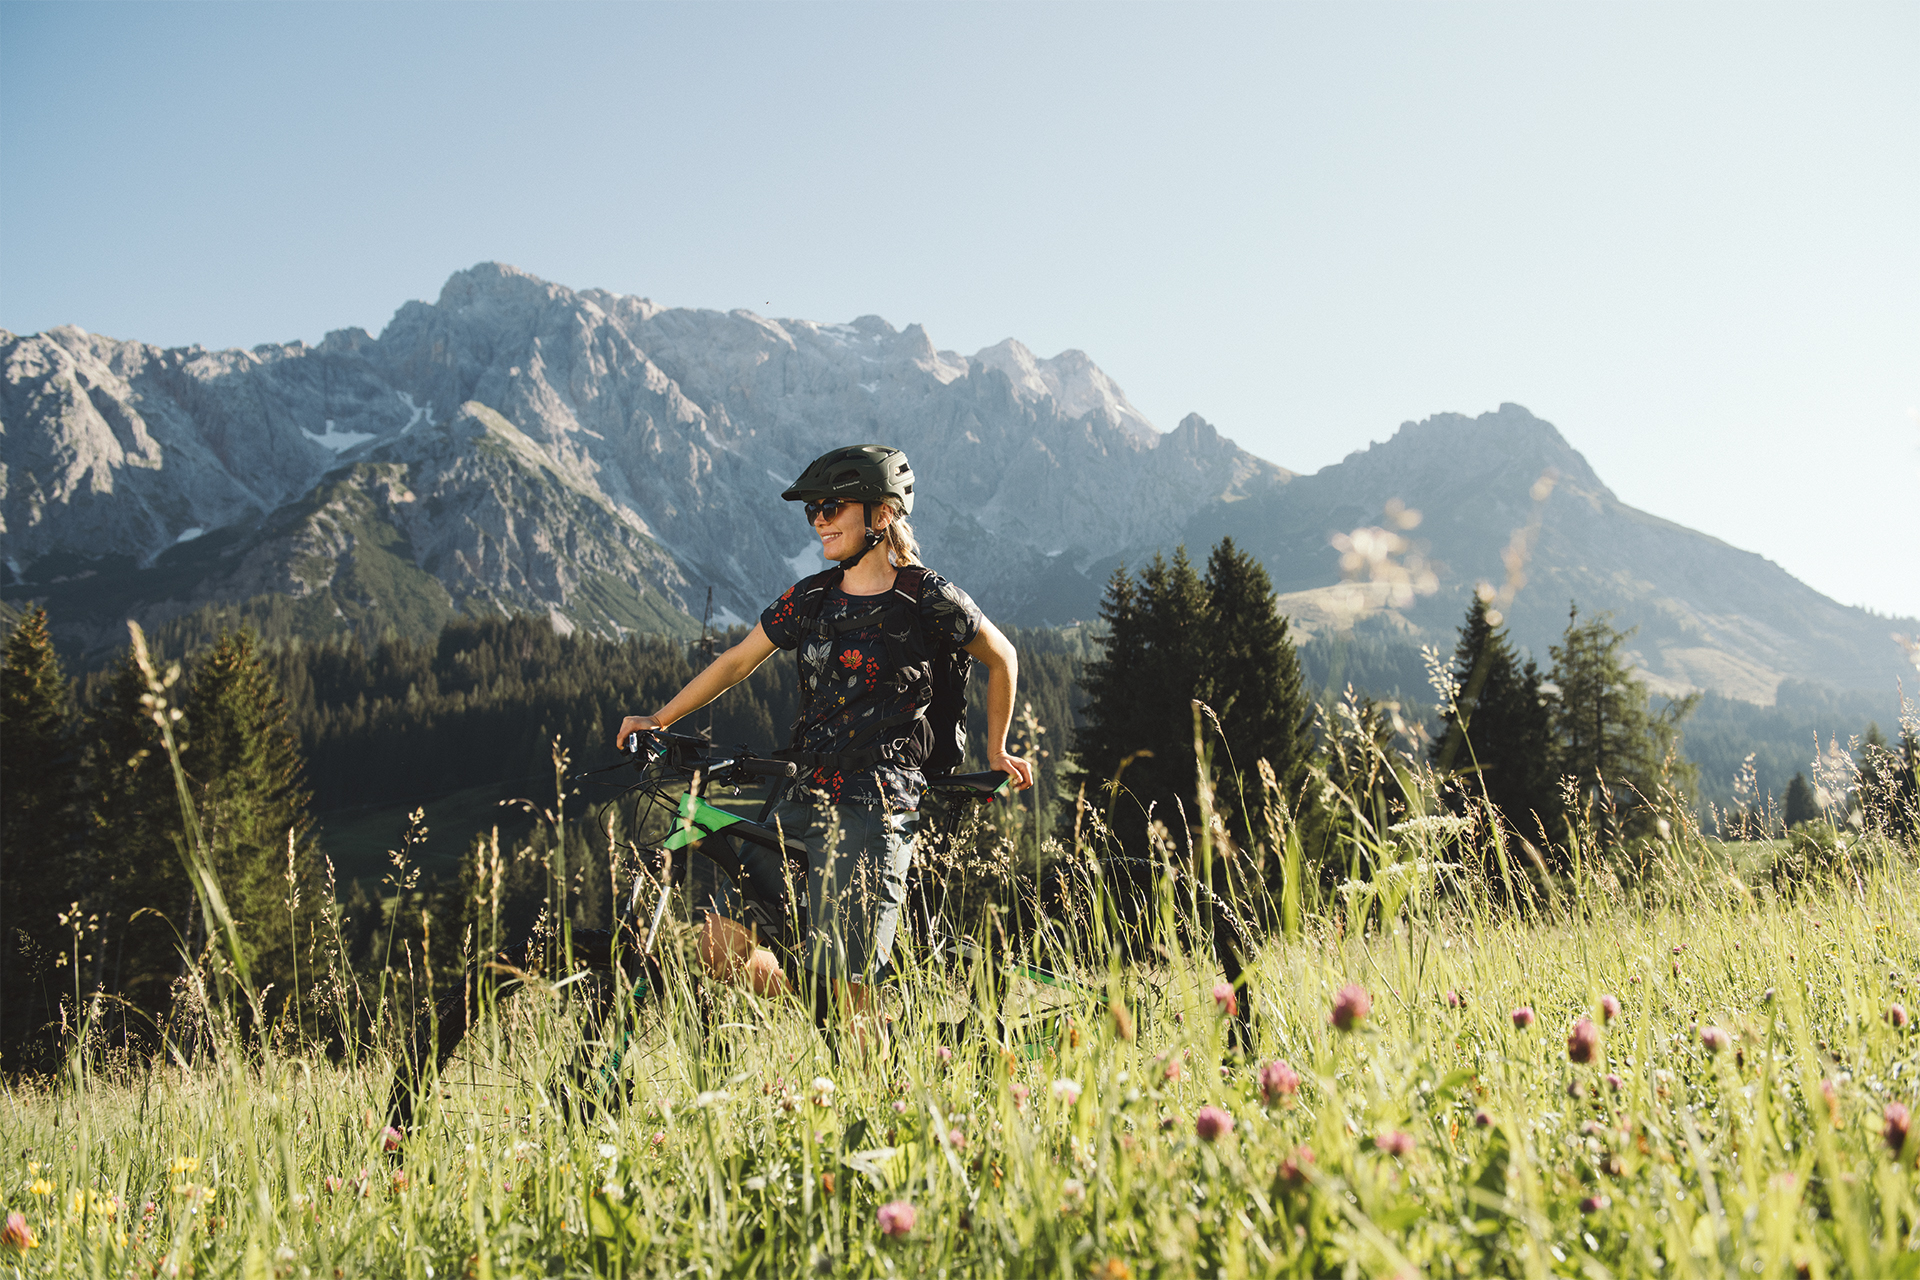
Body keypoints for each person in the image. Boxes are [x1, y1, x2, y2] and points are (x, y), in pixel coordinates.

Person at [615, 444, 1033, 1036]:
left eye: (833, 506)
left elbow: (1003, 656)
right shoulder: (811, 597)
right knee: (716, 944)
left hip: (877, 802)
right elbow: (737, 661)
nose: (818, 519)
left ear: (882, 514)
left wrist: (996, 750)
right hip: (802, 795)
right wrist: (660, 719)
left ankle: (881, 1080)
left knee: (846, 988)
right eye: (813, 509)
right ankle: (833, 1010)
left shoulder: (923, 595)